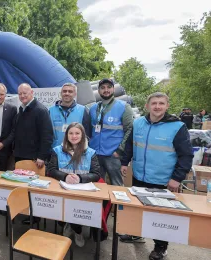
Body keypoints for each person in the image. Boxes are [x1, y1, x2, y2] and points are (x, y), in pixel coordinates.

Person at [119, 92, 193, 260]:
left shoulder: (177, 127)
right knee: (139, 209)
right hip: (139, 176)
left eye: (161, 103)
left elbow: (186, 155)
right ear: (147, 106)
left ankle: (161, 247)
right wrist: (125, 162)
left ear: (167, 106)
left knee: (161, 216)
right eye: (154, 103)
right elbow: (130, 145)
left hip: (163, 180)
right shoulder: (138, 123)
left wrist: (177, 178)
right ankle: (137, 234)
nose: (157, 106)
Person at [46, 122, 101, 247]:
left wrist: (80, 178)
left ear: (82, 135)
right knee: (64, 206)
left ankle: (77, 230)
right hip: (63, 188)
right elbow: (51, 169)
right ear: (66, 135)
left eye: (77, 133)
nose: (74, 136)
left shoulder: (91, 152)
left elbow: (96, 174)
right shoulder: (57, 150)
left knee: (76, 207)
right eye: (71, 133)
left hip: (82, 190)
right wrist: (65, 177)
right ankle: (70, 225)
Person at [89, 78, 133, 186]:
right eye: (103, 88)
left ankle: (118, 204)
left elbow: (130, 130)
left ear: (113, 89)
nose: (106, 90)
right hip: (95, 154)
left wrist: (119, 151)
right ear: (98, 90)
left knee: (117, 186)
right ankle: (101, 204)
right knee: (97, 185)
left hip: (113, 155)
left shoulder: (124, 107)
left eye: (109, 87)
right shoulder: (93, 108)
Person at [14, 83, 53, 167]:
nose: (22, 96)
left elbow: (47, 136)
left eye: (24, 93)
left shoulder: (41, 110)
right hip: (20, 156)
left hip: (34, 158)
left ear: (31, 92)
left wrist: (41, 156)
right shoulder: (21, 109)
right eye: (20, 94)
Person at [49, 83, 91, 148]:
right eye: (64, 91)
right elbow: (47, 133)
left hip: (76, 152)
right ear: (61, 93)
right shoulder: (51, 111)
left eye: (70, 91)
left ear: (75, 94)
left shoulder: (83, 110)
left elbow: (87, 134)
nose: (67, 93)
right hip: (56, 151)